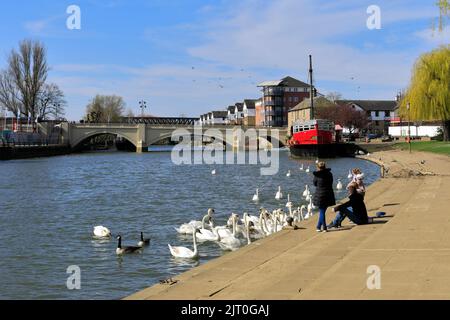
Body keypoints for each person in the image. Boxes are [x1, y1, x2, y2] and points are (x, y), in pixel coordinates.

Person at [313, 161, 336, 232]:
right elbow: (331, 182)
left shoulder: (317, 175)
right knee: (322, 211)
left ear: (318, 167)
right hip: (328, 194)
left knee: (322, 211)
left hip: (320, 195)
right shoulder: (329, 174)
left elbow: (314, 183)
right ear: (325, 166)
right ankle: (318, 226)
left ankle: (324, 227)